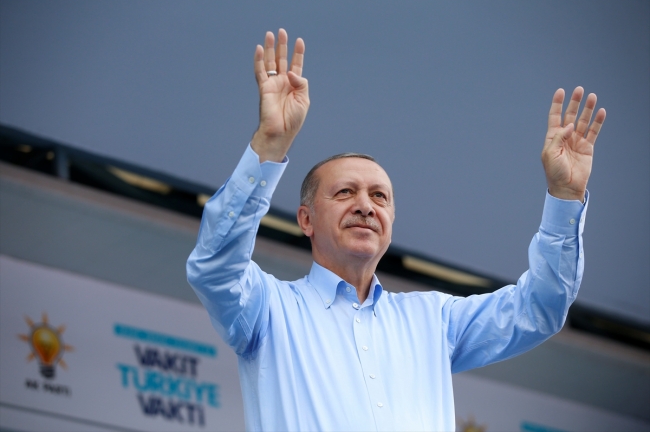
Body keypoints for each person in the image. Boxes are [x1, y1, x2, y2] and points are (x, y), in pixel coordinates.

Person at [186, 29, 606, 432]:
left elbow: (540, 308)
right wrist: (269, 145)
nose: (365, 206)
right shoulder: (267, 309)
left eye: (379, 197)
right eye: (345, 192)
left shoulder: (433, 321)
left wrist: (565, 197)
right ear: (306, 219)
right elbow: (214, 266)